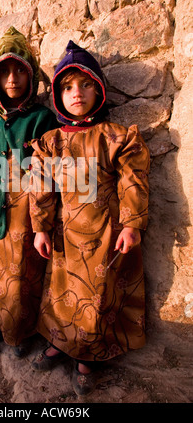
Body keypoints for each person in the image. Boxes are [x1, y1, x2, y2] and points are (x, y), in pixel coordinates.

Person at [29, 41, 150, 395]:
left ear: (98, 89)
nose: (76, 93)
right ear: (56, 96)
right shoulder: (51, 143)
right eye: (66, 87)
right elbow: (42, 187)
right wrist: (40, 228)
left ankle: (87, 356)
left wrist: (131, 224)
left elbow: (133, 179)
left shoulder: (114, 137)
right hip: (65, 234)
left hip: (103, 236)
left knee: (97, 297)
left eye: (84, 85)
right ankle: (59, 342)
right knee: (60, 292)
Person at [0, 27, 59, 357]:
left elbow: (49, 171)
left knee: (23, 275)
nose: (13, 77)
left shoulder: (42, 119)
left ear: (31, 75)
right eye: (4, 69)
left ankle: (20, 331)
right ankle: (2, 322)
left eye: (20, 69)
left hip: (28, 216)